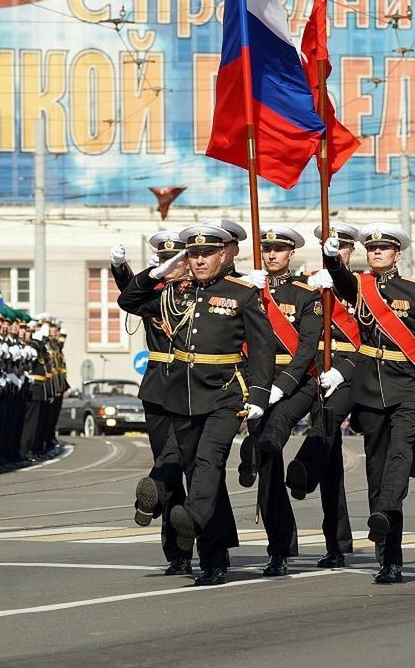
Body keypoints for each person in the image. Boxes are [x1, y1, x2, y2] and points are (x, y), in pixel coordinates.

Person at [118, 223, 275, 586]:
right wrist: (156, 273)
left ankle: (195, 524)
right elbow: (129, 300)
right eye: (193, 254)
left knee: (208, 462)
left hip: (223, 394)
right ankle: (213, 556)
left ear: (223, 254)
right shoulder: (177, 294)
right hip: (182, 395)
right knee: (200, 473)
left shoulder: (242, 294)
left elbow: (263, 348)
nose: (200, 260)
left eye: (206, 254)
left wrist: (260, 396)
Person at [321, 223, 415, 584]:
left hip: (407, 386)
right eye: (371, 248)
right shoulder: (359, 288)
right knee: (376, 472)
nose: (376, 252)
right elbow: (340, 280)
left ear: (397, 254)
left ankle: (387, 511)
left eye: (384, 248)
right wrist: (330, 256)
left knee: (400, 456)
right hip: (370, 389)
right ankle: (389, 559)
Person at [110, 230, 195, 576]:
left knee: (188, 465)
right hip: (158, 386)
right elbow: (130, 296)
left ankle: (156, 495)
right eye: (163, 261)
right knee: (168, 464)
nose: (169, 267)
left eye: (174, 261)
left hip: (194, 384)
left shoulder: (201, 295)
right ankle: (177, 551)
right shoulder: (156, 297)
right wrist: (120, 268)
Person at [242, 224, 322, 577]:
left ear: (291, 254)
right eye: (267, 248)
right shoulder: (248, 291)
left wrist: (284, 384)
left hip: (297, 382)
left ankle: (252, 450)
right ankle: (280, 546)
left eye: (279, 249)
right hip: (258, 381)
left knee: (271, 435)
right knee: (270, 469)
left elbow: (308, 348)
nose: (272, 254)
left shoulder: (305, 294)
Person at [287, 220, 360, 568]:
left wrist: (343, 370)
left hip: (351, 374)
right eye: (332, 247)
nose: (337, 252)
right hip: (314, 371)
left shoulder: (362, 287)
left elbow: (373, 339)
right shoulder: (308, 284)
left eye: (344, 247)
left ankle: (304, 469)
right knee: (331, 463)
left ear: (351, 251)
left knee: (327, 436)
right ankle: (335, 543)